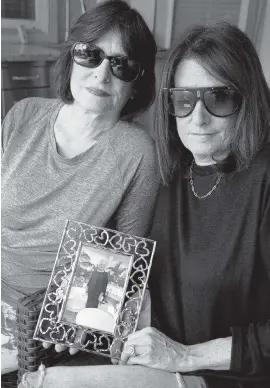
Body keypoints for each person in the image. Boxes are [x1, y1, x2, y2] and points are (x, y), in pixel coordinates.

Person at [19, 20, 270, 388]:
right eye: (184, 100)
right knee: (39, 376)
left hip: (222, 376)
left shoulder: (263, 181)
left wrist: (185, 356)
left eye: (219, 98)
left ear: (247, 98)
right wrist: (78, 318)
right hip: (151, 355)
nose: (197, 118)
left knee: (46, 384)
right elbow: (128, 264)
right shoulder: (170, 173)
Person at [1, 0, 159, 375]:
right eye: (90, 54)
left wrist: (78, 321)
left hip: (41, 327)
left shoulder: (136, 153)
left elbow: (126, 265)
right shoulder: (24, 114)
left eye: (122, 65)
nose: (102, 75)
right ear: (72, 58)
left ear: (136, 85)